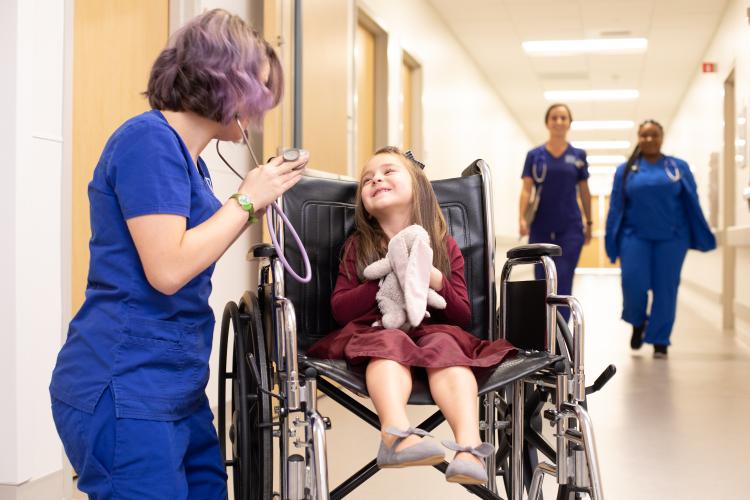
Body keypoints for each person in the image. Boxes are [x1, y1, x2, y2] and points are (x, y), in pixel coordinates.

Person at [49, 10, 307, 499]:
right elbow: (167, 269)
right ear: (226, 80)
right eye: (259, 91)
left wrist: (251, 202)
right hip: (124, 385)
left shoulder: (193, 161)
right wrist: (247, 200)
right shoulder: (148, 141)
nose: (262, 107)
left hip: (175, 387)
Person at [307, 147, 516, 485]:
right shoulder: (358, 248)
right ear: (364, 204)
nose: (376, 179)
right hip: (377, 332)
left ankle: (468, 446)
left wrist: (432, 278)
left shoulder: (444, 246)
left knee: (447, 347)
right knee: (387, 343)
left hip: (434, 333)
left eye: (389, 171)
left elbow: (461, 314)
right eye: (367, 179)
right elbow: (340, 309)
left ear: (417, 188)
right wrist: (387, 277)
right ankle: (395, 436)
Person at [605, 120, 715, 358]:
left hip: (672, 238)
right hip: (634, 237)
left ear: (662, 137)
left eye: (653, 135)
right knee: (633, 285)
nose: (649, 139)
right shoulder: (626, 170)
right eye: (644, 135)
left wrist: (700, 233)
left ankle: (660, 339)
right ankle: (637, 323)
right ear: (638, 137)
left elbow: (691, 202)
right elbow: (615, 207)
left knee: (666, 289)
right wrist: (611, 242)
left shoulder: (677, 167)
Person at [518, 103, 592, 320]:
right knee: (541, 280)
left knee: (564, 277)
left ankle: (560, 333)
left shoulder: (578, 155)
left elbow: (585, 192)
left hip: (570, 227)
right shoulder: (535, 155)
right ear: (547, 122)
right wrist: (521, 218)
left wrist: (589, 223)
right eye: (554, 117)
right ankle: (542, 332)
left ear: (569, 123)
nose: (559, 121)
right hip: (540, 225)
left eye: (563, 118)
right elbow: (526, 190)